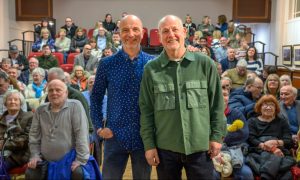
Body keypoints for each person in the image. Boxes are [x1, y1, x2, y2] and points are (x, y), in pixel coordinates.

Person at [139, 15, 225, 179]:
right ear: (160, 37)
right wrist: (149, 145)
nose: (171, 34)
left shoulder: (205, 64)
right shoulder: (151, 70)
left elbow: (217, 105)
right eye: (165, 31)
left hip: (201, 148)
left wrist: (216, 137)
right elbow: (146, 110)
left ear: (184, 32)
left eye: (175, 29)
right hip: (166, 150)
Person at [90, 14, 153, 179]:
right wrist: (98, 127)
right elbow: (95, 97)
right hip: (114, 136)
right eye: (125, 30)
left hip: (143, 137)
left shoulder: (153, 64)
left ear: (142, 32)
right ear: (118, 33)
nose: (130, 34)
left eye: (135, 29)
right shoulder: (106, 64)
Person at [25, 80, 91, 179]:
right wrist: (35, 155)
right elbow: (34, 136)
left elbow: (81, 134)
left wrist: (80, 160)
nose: (54, 93)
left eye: (58, 90)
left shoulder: (75, 106)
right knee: (31, 173)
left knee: (78, 173)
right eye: (50, 90)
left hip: (70, 160)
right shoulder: (40, 110)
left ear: (66, 93)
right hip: (44, 160)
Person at [247, 95, 295, 179]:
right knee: (285, 172)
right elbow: (251, 139)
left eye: (271, 105)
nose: (268, 107)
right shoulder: (252, 121)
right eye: (265, 104)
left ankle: (266, 176)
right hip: (259, 151)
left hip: (280, 151)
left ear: (276, 108)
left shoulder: (282, 121)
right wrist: (271, 148)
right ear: (260, 107)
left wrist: (276, 143)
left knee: (288, 175)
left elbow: (289, 140)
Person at [213, 89, 253, 180]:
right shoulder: (208, 115)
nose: (222, 98)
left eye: (225, 95)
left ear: (229, 98)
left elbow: (244, 134)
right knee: (212, 175)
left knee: (247, 174)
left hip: (235, 152)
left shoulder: (236, 113)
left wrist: (218, 137)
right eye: (219, 95)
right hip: (214, 154)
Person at [0, 90, 32, 172]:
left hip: (17, 155)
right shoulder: (1, 118)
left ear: (20, 103)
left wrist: (4, 144)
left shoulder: (29, 116)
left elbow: (26, 138)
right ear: (5, 103)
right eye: (9, 99)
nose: (12, 102)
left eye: (16, 99)